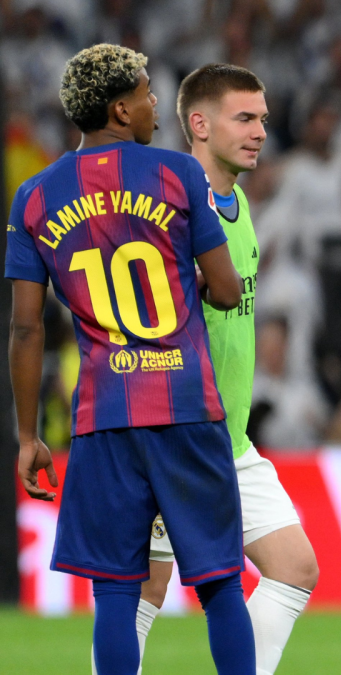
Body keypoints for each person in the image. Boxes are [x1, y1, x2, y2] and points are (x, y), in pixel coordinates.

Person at [7, 44, 252, 674]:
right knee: (220, 584)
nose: (153, 106)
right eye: (146, 95)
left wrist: (28, 435)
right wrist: (184, 291)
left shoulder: (34, 199)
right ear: (120, 109)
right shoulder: (176, 174)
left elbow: (27, 328)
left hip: (103, 417)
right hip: (187, 408)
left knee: (115, 592)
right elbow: (226, 289)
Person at [107, 64, 320, 675]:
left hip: (228, 440)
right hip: (171, 434)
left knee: (295, 568)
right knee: (144, 592)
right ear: (199, 124)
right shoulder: (166, 205)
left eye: (263, 120)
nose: (259, 132)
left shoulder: (236, 200)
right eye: (244, 118)